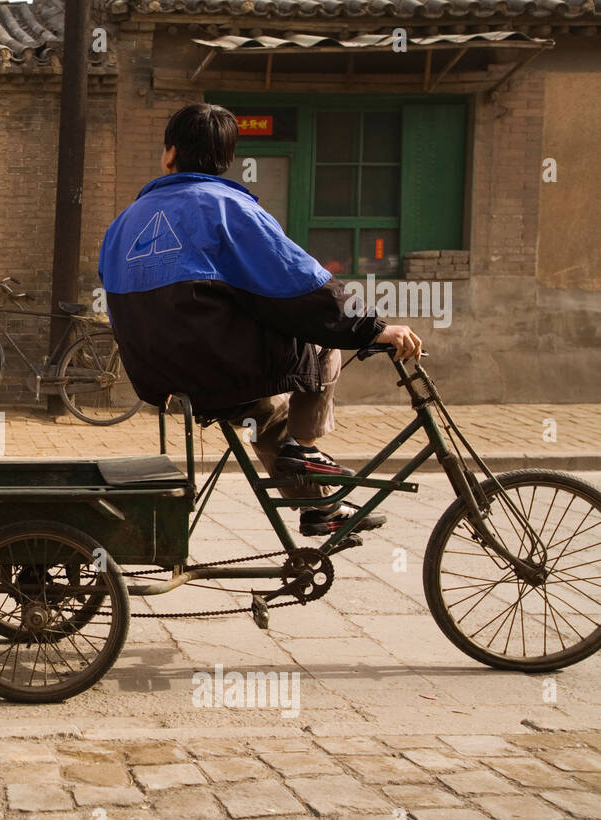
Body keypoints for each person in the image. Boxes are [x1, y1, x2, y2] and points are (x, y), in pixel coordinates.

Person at [99, 104, 422, 536]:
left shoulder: (124, 222)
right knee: (320, 337)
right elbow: (303, 285)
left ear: (169, 155)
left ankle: (316, 505)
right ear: (226, 160)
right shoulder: (230, 208)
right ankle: (305, 450)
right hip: (218, 366)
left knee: (267, 412)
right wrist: (373, 328)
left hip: (155, 375)